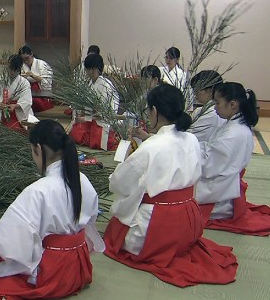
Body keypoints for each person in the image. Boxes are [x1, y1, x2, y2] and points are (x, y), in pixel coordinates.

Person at [0, 120, 104, 299]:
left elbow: (13, 239)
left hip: (51, 269)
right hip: (78, 265)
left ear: (38, 148)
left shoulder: (38, 190)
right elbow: (91, 217)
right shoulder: (82, 179)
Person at [103, 84, 237, 287]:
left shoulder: (151, 147)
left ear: (154, 111)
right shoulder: (191, 139)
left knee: (116, 230)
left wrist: (122, 171)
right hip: (190, 221)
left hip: (159, 225)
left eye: (149, 110)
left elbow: (119, 183)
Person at [197, 83, 270, 236]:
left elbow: (208, 166)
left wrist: (188, 152)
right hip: (224, 181)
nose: (215, 107)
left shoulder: (233, 133)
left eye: (217, 103)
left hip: (219, 189)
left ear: (232, 104)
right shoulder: (235, 125)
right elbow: (212, 151)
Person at [69, 54, 119, 150]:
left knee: (93, 138)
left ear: (93, 69)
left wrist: (87, 118)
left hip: (102, 121)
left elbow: (106, 112)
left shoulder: (106, 86)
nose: (86, 72)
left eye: (87, 69)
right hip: (92, 118)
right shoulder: (90, 83)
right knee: (75, 131)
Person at [0, 54, 33, 130]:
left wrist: (15, 106)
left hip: (15, 112)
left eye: (15, 70)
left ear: (19, 69)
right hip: (0, 110)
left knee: (15, 130)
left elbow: (26, 101)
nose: (12, 72)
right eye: (10, 69)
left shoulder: (24, 83)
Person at [188, 70, 224, 142]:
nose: (195, 93)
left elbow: (195, 138)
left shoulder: (213, 112)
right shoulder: (201, 109)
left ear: (210, 90)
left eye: (197, 90)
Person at [19, 45, 54, 112]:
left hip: (41, 96)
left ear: (31, 54)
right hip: (28, 91)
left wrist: (32, 75)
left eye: (27, 58)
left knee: (33, 101)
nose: (25, 61)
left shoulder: (42, 64)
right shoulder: (23, 66)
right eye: (23, 59)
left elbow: (46, 81)